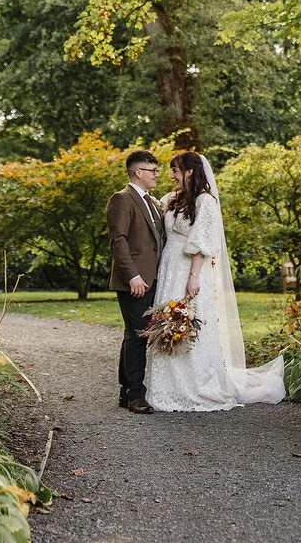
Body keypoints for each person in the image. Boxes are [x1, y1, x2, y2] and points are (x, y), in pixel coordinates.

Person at [146, 150, 286, 411]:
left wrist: (194, 277)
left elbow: (201, 242)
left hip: (190, 267)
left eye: (175, 170)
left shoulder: (205, 202)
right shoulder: (174, 199)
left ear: (189, 171)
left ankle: (195, 385)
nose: (171, 175)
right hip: (169, 266)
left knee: (188, 320)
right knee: (167, 320)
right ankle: (165, 385)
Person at [106, 149, 166, 414]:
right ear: (137, 172)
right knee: (138, 334)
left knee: (134, 333)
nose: (157, 175)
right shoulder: (122, 199)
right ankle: (135, 396)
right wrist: (133, 275)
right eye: (152, 170)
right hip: (135, 280)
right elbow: (118, 241)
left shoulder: (151, 202)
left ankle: (125, 390)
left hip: (152, 279)